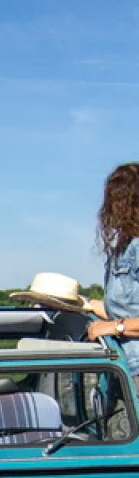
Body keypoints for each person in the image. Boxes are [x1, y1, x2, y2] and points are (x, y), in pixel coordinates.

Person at [87, 162, 139, 389]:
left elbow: (120, 319)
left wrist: (113, 327)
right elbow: (125, 308)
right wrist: (81, 304)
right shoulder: (125, 247)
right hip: (124, 368)